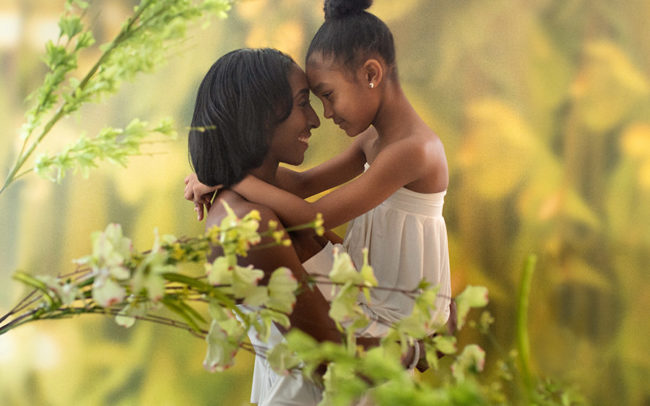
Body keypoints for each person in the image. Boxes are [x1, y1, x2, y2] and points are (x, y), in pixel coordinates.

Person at [187, 0, 452, 339]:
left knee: (300, 247)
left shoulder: (412, 151)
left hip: (403, 306)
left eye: (328, 95)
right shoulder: (373, 139)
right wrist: (224, 167)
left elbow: (315, 220)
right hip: (373, 287)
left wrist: (234, 177)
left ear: (371, 74)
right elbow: (301, 184)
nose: (324, 114)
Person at [188, 48, 420, 406]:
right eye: (302, 103)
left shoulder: (270, 197)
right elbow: (330, 358)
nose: (315, 119)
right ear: (260, 116)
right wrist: (421, 343)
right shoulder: (250, 224)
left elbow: (351, 291)